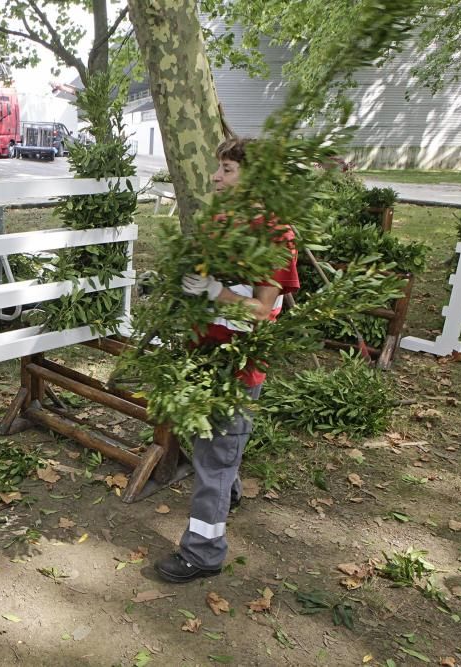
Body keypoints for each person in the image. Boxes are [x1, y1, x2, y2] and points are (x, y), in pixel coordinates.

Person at [154, 137, 299, 583]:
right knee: (213, 445)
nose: (216, 176)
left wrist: (216, 292)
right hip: (204, 353)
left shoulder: (275, 235)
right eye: (219, 168)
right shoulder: (221, 222)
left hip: (236, 366)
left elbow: (260, 311)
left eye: (227, 170)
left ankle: (203, 552)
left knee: (215, 453)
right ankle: (228, 491)